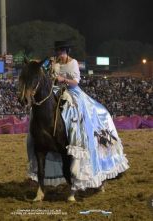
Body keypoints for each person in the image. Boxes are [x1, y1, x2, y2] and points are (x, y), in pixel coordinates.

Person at [27, 40, 129, 193]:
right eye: (57, 51)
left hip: (72, 92)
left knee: (76, 111)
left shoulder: (73, 63)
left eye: (61, 51)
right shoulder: (53, 63)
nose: (58, 54)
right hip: (54, 91)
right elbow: (45, 75)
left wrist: (63, 80)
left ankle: (81, 138)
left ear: (66, 51)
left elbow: (75, 82)